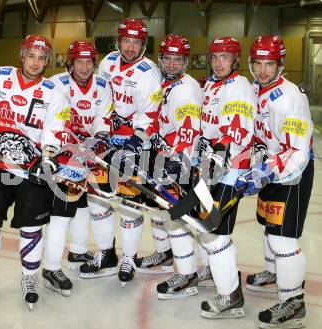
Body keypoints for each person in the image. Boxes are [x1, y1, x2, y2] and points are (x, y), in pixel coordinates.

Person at [0, 34, 68, 310]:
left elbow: (54, 131)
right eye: (31, 55)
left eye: (42, 58)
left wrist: (47, 160)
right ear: (22, 55)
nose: (36, 62)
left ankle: (29, 278)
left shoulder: (54, 92)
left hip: (30, 172)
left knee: (32, 227)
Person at [235, 35, 314, 329]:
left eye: (270, 64)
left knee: (284, 238)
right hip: (270, 166)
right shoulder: (257, 89)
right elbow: (259, 134)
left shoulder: (291, 96)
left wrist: (267, 172)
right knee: (269, 226)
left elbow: (297, 150)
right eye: (258, 63)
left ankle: (294, 304)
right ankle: (273, 272)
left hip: (293, 173)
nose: (263, 70)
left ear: (280, 64)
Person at [80, 18, 162, 286]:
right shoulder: (107, 63)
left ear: (143, 44)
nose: (130, 47)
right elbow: (98, 96)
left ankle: (128, 257)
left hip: (133, 145)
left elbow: (149, 113)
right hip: (105, 139)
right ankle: (106, 253)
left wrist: (134, 141)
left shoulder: (149, 72)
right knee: (97, 197)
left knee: (130, 203)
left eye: (135, 42)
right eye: (126, 41)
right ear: (119, 41)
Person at [135, 34, 209, 299]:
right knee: (159, 213)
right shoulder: (164, 83)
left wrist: (174, 163)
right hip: (163, 157)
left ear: (185, 61)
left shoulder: (186, 89)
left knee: (176, 219)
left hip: (180, 163)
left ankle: (187, 274)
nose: (172, 64)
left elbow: (188, 132)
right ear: (161, 58)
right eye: (168, 58)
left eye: (178, 59)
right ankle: (165, 256)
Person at [41, 40, 113, 295]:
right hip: (63, 152)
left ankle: (78, 252)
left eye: (89, 61)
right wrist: (67, 146)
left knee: (82, 204)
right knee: (61, 211)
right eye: (79, 62)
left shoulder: (103, 85)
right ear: (70, 63)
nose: (84, 67)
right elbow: (50, 121)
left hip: (88, 152)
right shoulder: (56, 84)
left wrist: (99, 139)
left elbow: (103, 117)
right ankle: (50, 266)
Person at [198, 37, 256, 318]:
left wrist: (218, 150)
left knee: (215, 232)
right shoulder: (210, 84)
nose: (219, 63)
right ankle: (218, 273)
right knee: (209, 228)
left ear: (235, 61)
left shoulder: (239, 86)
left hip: (230, 169)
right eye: (215, 57)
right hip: (212, 167)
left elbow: (237, 129)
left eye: (225, 57)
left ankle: (231, 295)